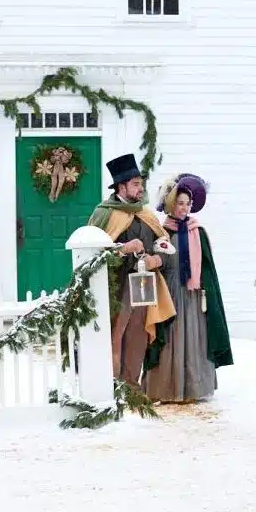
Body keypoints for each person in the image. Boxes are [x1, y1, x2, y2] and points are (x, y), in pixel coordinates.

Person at [87, 153, 176, 387]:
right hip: (116, 288)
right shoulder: (104, 214)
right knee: (114, 336)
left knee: (138, 336)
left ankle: (131, 389)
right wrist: (124, 248)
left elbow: (167, 251)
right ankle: (111, 388)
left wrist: (156, 260)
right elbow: (92, 255)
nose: (140, 188)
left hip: (144, 287)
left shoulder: (146, 214)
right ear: (121, 186)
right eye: (136, 184)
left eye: (141, 184)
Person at [144, 173, 233, 403]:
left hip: (193, 295)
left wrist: (206, 291)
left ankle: (193, 389)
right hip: (170, 292)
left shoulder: (197, 231)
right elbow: (161, 259)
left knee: (195, 337)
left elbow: (207, 268)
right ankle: (167, 389)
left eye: (187, 204)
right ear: (171, 204)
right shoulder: (162, 231)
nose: (184, 208)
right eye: (180, 203)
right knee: (170, 336)